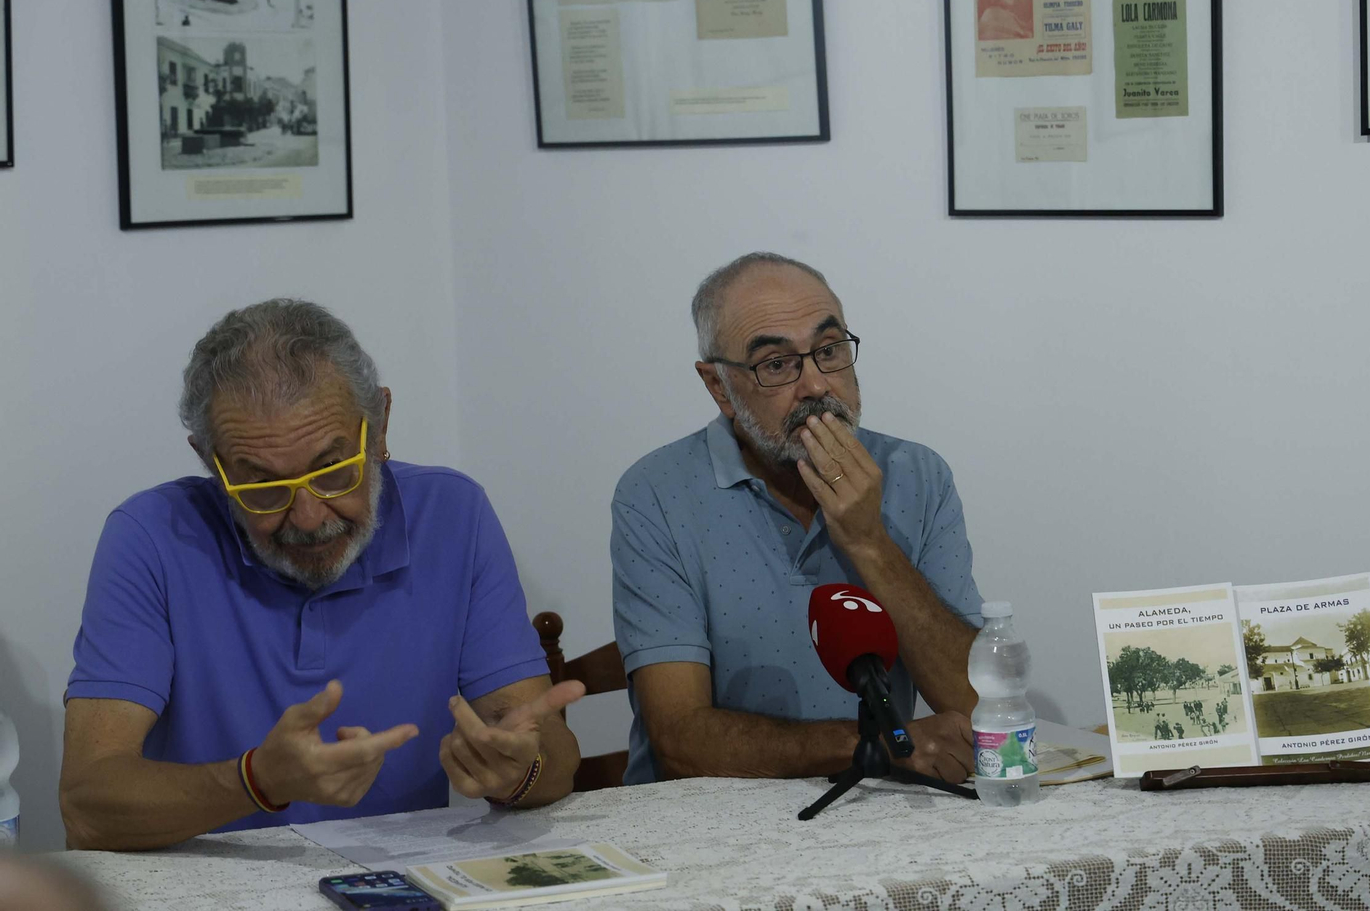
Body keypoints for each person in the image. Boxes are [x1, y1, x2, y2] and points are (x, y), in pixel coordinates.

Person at [60, 300, 583, 851]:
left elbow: (546, 749)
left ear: (378, 427)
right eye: (261, 486)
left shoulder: (454, 514)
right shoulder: (150, 535)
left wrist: (518, 770)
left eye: (333, 471)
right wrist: (257, 781)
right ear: (210, 463)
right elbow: (87, 804)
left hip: (397, 882)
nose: (308, 517)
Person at [611, 253, 985, 785]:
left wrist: (869, 542)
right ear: (719, 387)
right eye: (777, 365)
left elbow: (976, 705)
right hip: (710, 821)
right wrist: (876, 742)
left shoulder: (916, 473)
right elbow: (680, 741)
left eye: (829, 351)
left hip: (880, 813)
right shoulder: (654, 493)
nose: (816, 387)